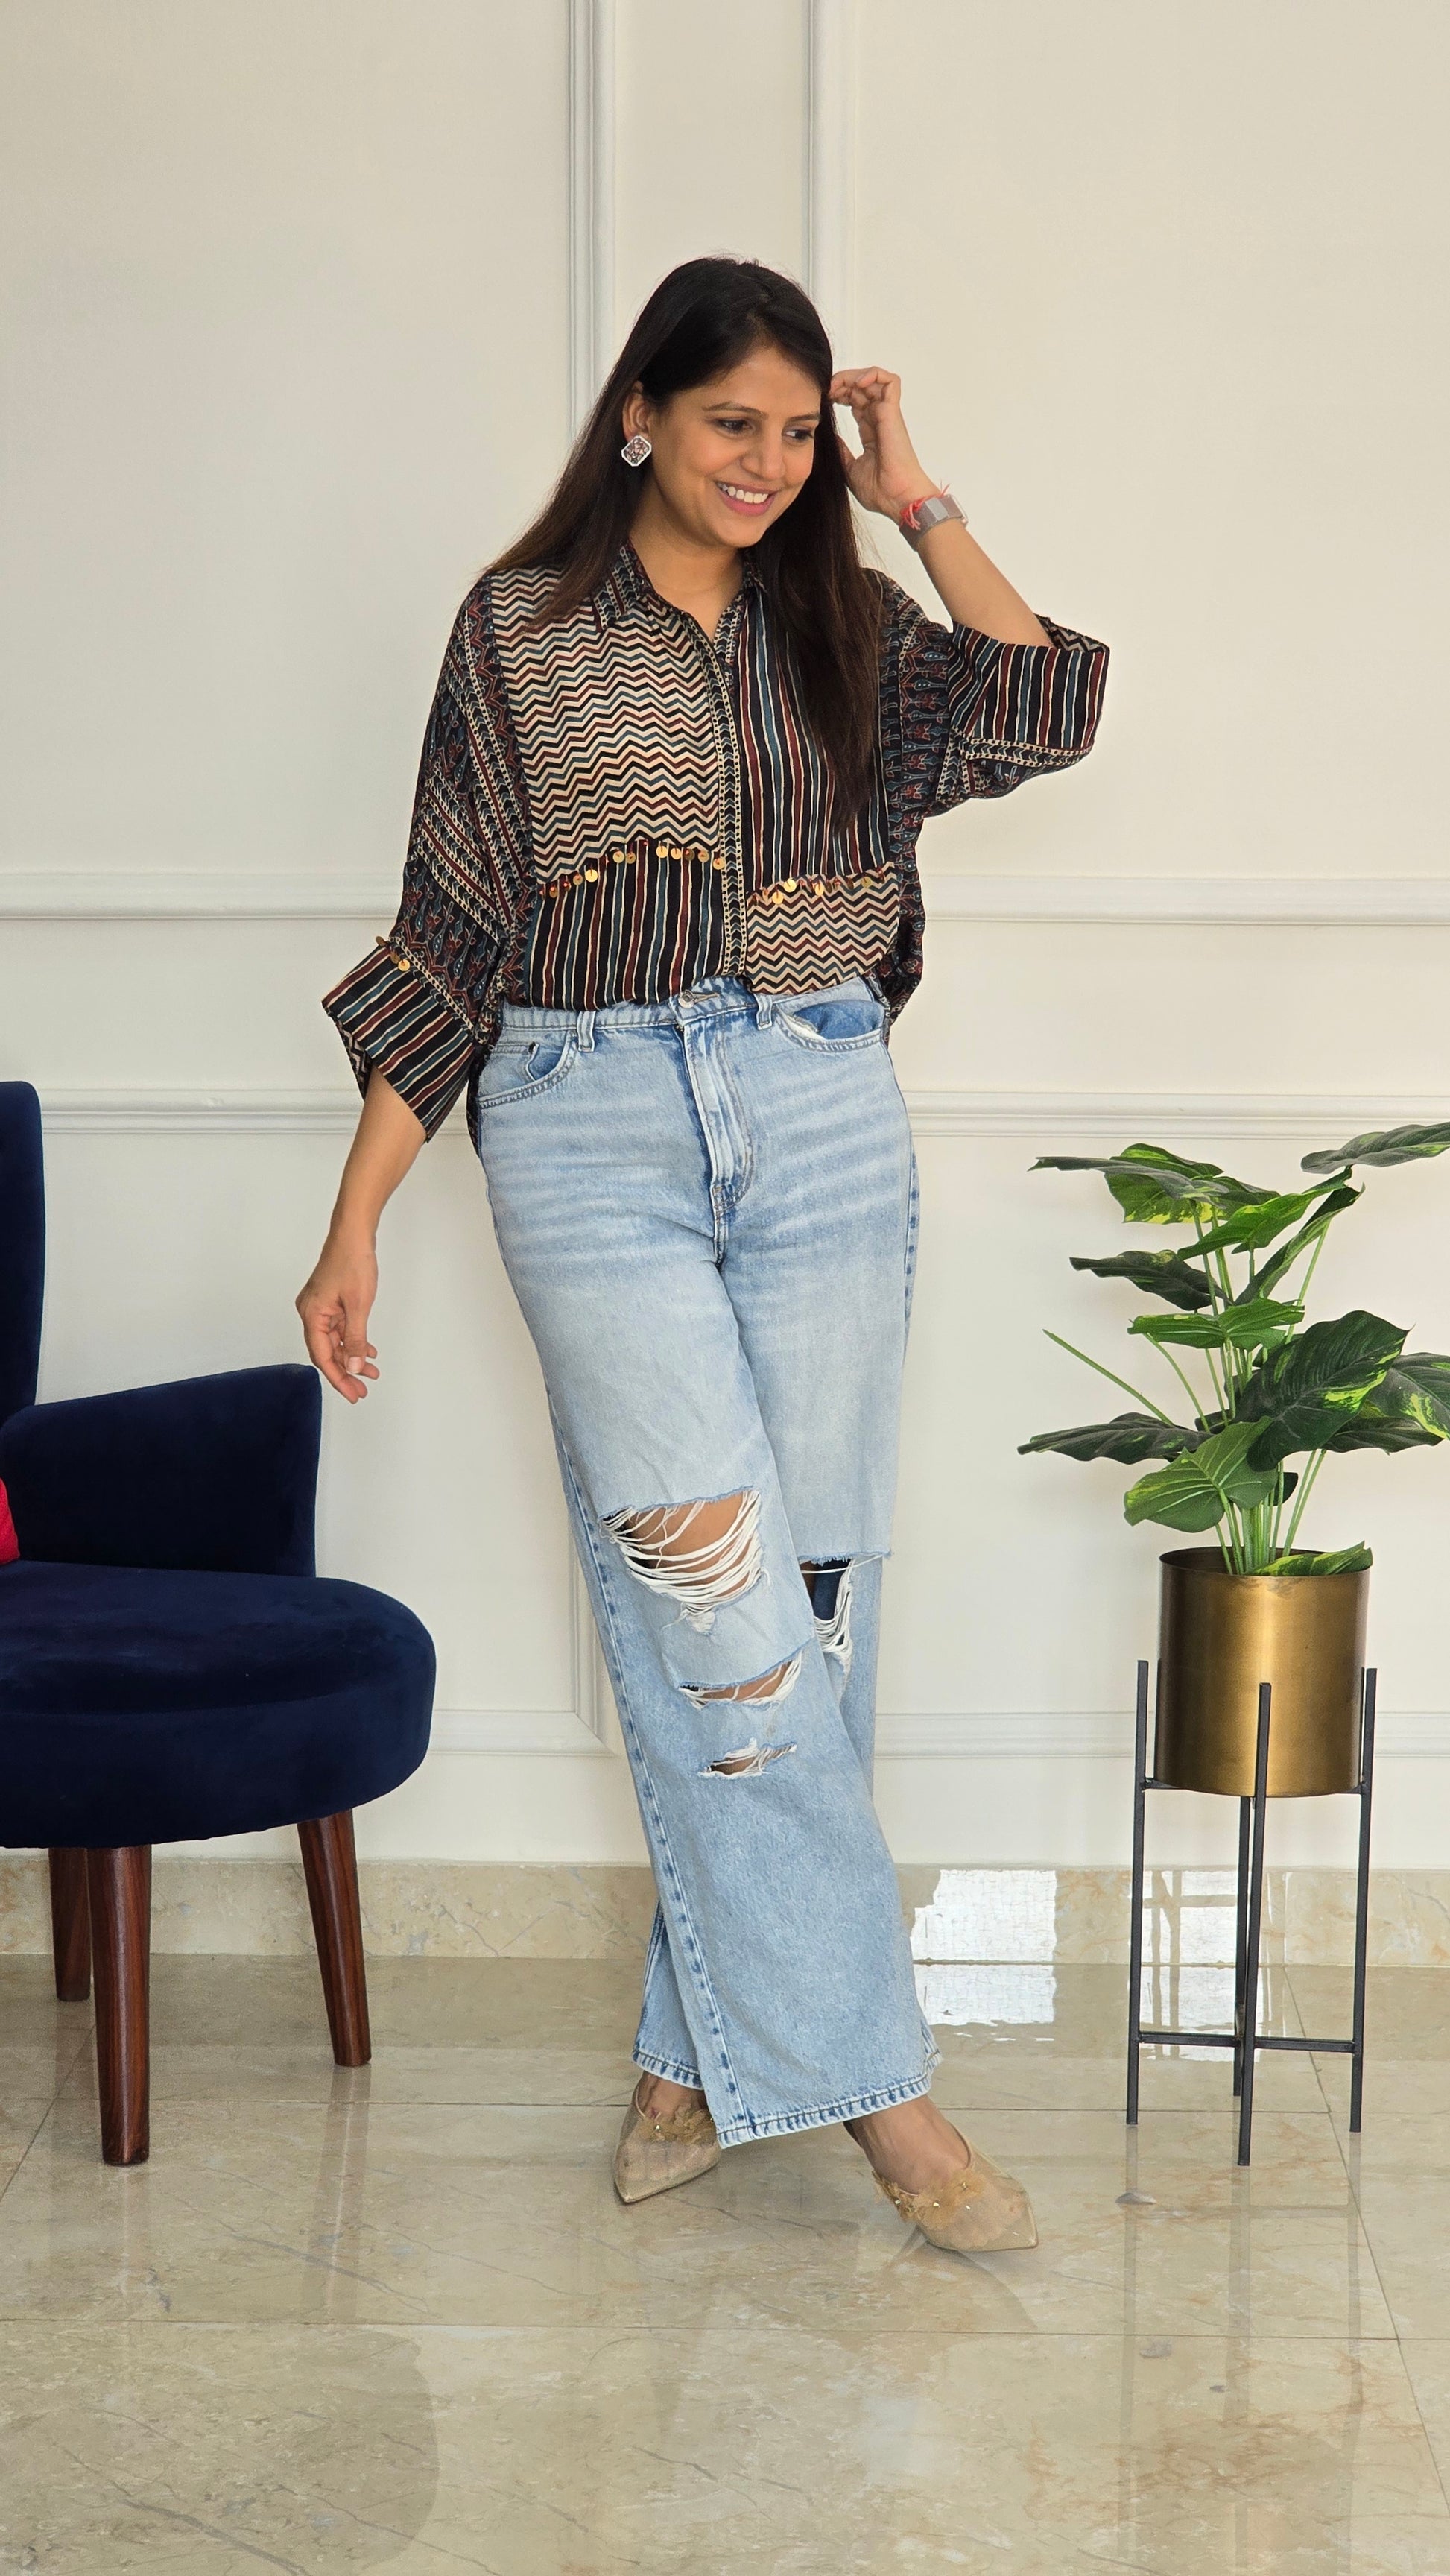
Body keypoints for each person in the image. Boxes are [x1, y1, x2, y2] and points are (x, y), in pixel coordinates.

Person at [297, 257, 1107, 2255]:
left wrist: (912, 493)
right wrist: (357, 1216)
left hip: (818, 1107)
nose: (764, 461)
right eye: (731, 420)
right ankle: (889, 2106)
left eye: (796, 430)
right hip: (586, 1132)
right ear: (640, 415)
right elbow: (452, 924)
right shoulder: (519, 632)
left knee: (805, 1611)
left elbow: (1042, 705)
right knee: (717, 1601)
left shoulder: (849, 620)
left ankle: (692, 2056)